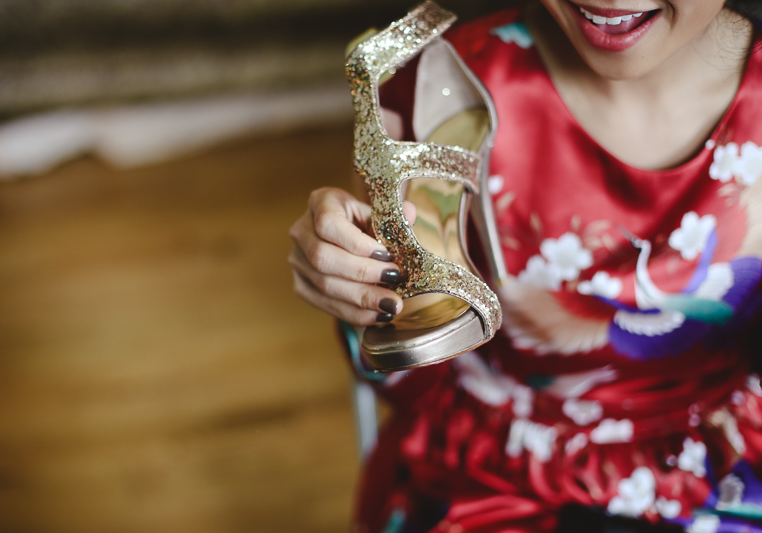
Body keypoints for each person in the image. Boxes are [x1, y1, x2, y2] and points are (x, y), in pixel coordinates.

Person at [289, 0, 762, 531]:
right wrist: (358, 291)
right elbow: (408, 380)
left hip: (721, 472)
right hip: (494, 477)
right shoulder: (443, 91)